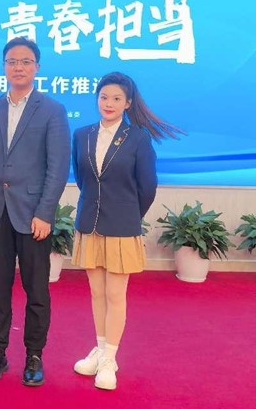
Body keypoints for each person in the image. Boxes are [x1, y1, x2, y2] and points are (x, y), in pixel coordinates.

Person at [71, 72, 183, 390]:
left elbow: (147, 187)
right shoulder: (82, 135)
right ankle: (99, 349)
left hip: (122, 226)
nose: (109, 103)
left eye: (116, 99)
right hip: (89, 223)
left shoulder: (137, 138)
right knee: (96, 292)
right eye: (104, 97)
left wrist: (128, 214)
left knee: (115, 294)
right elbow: (82, 178)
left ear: (128, 103)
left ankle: (110, 358)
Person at [0, 37, 71, 386]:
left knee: (37, 290)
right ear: (4, 67)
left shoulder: (52, 110)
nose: (18, 67)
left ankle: (34, 355)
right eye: (12, 61)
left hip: (34, 216)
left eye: (26, 61)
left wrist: (45, 212)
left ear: (37, 68)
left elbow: (57, 167)